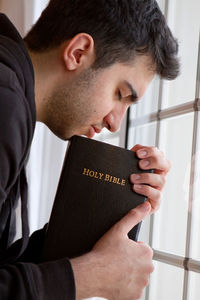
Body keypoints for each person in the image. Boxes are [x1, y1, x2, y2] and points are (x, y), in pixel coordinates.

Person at [0, 0, 179, 299]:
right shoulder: (5, 103)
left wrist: (108, 214)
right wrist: (89, 277)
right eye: (120, 94)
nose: (114, 123)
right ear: (78, 52)